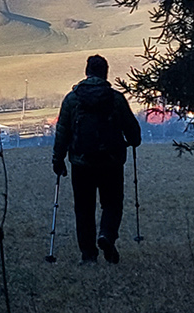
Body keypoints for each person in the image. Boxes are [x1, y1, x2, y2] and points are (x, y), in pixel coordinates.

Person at [52, 54, 142, 264]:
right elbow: (132, 130)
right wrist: (133, 141)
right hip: (111, 162)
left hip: (81, 163)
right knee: (112, 203)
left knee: (83, 208)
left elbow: (62, 131)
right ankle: (107, 235)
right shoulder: (115, 98)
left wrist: (58, 160)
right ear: (105, 72)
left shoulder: (72, 99)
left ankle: (88, 255)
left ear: (87, 72)